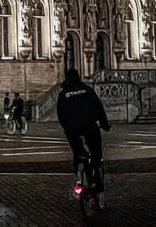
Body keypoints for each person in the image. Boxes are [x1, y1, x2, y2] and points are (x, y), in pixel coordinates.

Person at [56, 68, 111, 208]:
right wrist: (104, 124)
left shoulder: (63, 94)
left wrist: (67, 128)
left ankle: (79, 174)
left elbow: (60, 114)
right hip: (89, 126)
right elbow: (98, 108)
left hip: (72, 130)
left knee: (78, 153)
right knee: (96, 152)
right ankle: (97, 181)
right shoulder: (87, 90)